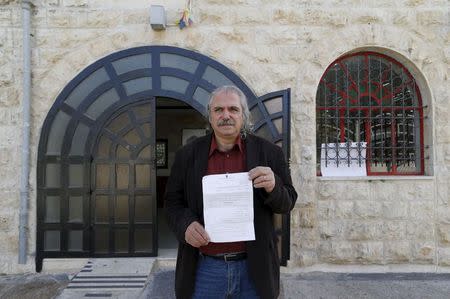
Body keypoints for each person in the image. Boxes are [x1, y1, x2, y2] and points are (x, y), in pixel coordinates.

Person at [165, 85, 297, 299]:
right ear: (210, 116)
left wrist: (274, 187)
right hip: (203, 269)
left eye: (233, 109)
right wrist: (185, 225)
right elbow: (172, 204)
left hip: (254, 269)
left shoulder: (269, 153)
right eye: (219, 110)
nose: (226, 115)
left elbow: (288, 201)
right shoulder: (187, 155)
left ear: (243, 116)